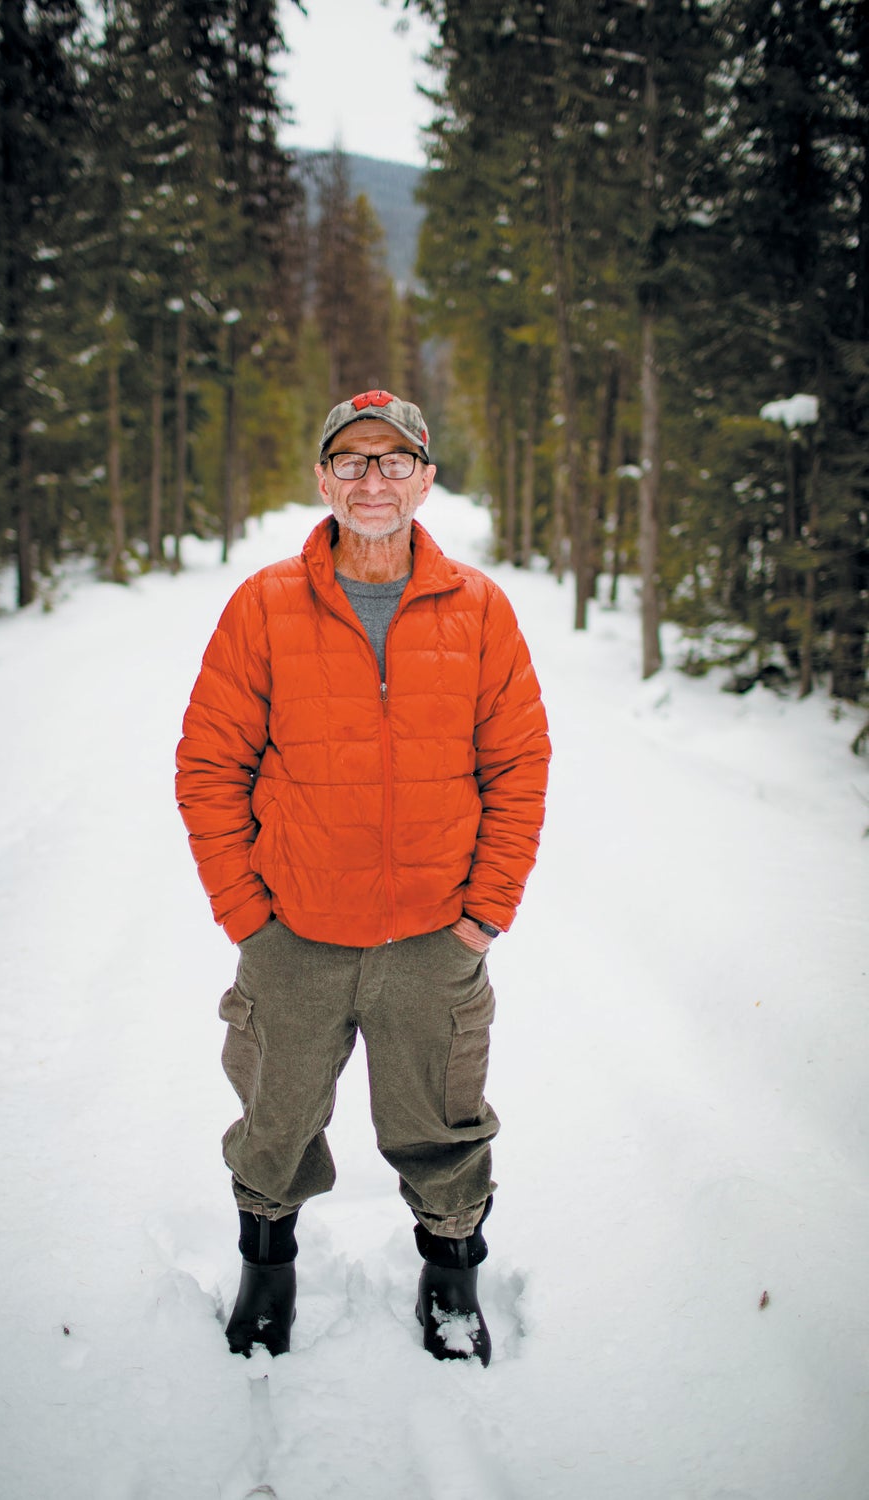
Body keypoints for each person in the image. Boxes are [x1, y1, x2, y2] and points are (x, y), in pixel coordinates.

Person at [175, 389, 550, 1365]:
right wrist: (246, 912)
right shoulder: (264, 605)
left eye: (393, 460)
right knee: (275, 1120)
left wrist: (484, 912)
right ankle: (267, 1273)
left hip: (433, 937)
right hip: (293, 933)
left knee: (441, 1124)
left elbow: (517, 765)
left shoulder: (478, 610)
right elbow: (210, 764)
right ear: (322, 479)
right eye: (351, 460)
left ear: (425, 478)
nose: (371, 479)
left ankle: (452, 1280)